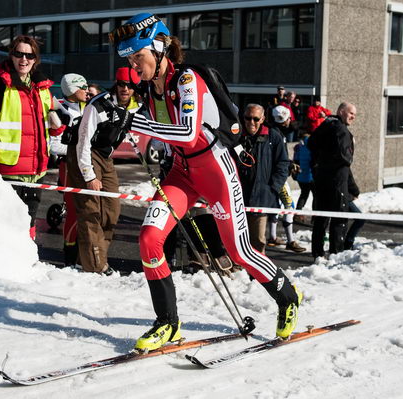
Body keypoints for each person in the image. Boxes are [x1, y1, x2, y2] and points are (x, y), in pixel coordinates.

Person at [110, 13, 302, 351]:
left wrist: (135, 125)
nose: (134, 66)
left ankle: (288, 296)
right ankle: (167, 323)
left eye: (138, 57)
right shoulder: (147, 88)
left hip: (215, 169)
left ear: (159, 48)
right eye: (129, 59)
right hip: (180, 174)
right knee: (149, 239)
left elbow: (187, 132)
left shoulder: (186, 80)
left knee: (238, 251)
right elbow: (149, 132)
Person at [0, 35, 57, 240]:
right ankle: (0, 270)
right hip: (8, 172)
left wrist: (56, 128)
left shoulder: (43, 88)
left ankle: (25, 267)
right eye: (19, 54)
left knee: (28, 224)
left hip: (37, 172)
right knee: (5, 229)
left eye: (29, 55)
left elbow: (45, 129)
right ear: (11, 56)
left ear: (36, 59)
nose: (24, 59)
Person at [65, 67, 140, 275]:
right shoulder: (98, 105)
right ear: (116, 83)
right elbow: (83, 142)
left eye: (131, 86)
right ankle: (95, 266)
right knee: (91, 210)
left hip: (105, 157)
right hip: (84, 154)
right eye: (123, 84)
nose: (126, 89)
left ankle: (89, 259)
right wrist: (89, 176)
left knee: (111, 210)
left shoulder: (135, 107)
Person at [238, 104, 290, 254]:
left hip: (260, 198)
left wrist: (273, 188)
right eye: (248, 118)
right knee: (237, 239)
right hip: (237, 197)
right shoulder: (237, 134)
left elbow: (283, 163)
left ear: (263, 119)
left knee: (258, 241)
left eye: (256, 118)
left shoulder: (273, 136)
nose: (251, 122)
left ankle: (258, 274)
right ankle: (237, 271)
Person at [308, 102, 357, 258]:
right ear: (341, 112)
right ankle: (336, 254)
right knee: (339, 218)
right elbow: (345, 157)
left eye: (354, 115)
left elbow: (311, 143)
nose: (353, 117)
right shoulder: (340, 129)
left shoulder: (326, 125)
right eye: (350, 113)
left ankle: (317, 253)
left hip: (321, 179)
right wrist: (347, 156)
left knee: (321, 218)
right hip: (336, 181)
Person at [50, 73, 89, 266]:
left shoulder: (89, 108)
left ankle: (85, 254)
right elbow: (54, 145)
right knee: (73, 211)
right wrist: (80, 150)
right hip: (69, 166)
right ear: (73, 90)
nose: (87, 89)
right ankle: (70, 255)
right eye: (82, 86)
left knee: (89, 210)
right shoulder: (60, 110)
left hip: (88, 166)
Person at [267, 106, 306, 253]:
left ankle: (272, 236)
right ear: (285, 120)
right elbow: (278, 159)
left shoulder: (272, 132)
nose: (291, 120)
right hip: (279, 178)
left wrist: (289, 163)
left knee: (275, 206)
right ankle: (290, 240)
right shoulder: (278, 135)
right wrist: (288, 164)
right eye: (289, 118)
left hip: (273, 176)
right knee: (290, 205)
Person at [293, 132, 315, 211]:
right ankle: (315, 216)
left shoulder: (299, 147)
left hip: (301, 176)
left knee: (304, 194)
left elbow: (296, 160)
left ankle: (298, 212)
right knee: (316, 195)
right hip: (311, 176)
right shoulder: (312, 146)